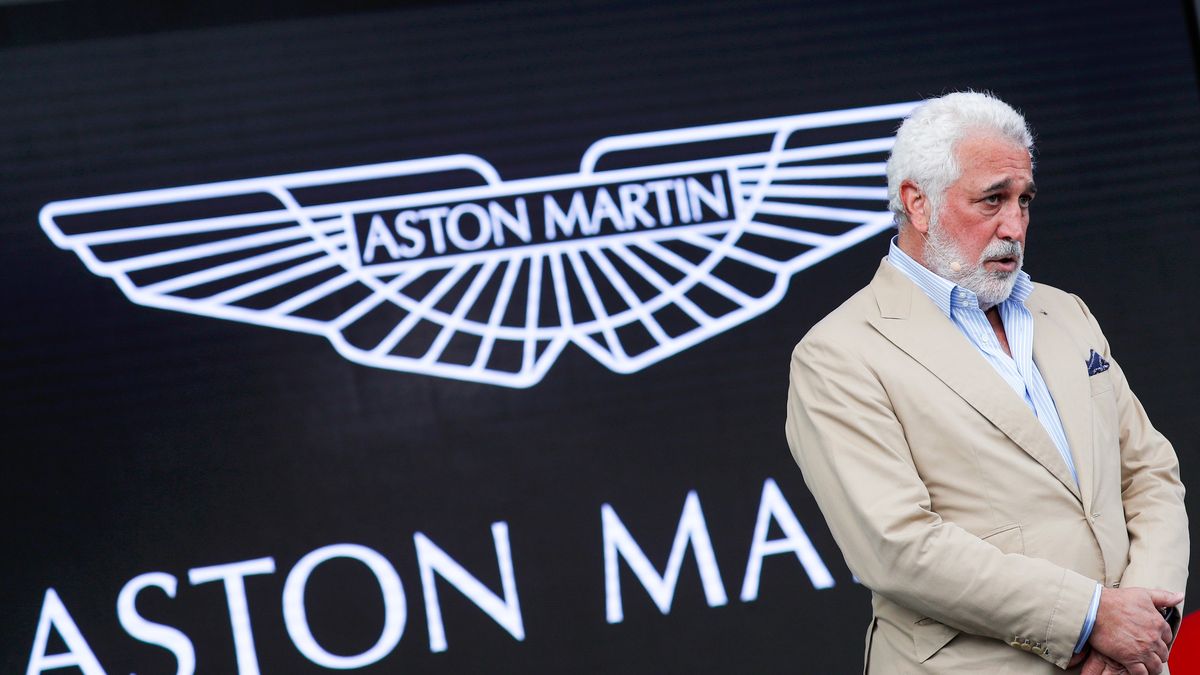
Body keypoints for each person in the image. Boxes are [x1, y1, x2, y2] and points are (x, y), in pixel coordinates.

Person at [784, 91, 1188, 674]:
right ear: (917, 204)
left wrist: (1146, 619)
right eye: (992, 199)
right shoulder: (836, 354)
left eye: (1024, 200)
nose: (1015, 225)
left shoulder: (1064, 312)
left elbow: (1150, 473)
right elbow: (897, 547)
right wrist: (1092, 617)